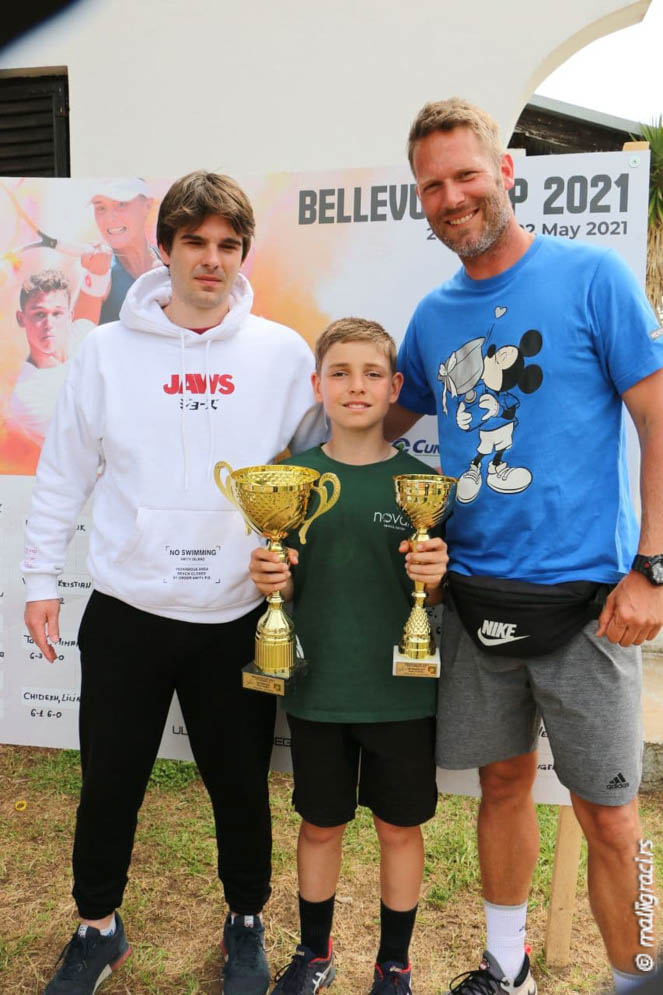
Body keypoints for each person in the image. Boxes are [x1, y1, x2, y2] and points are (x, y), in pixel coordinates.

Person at [22, 170, 324, 995]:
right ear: (163, 248)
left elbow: (314, 469)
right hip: (129, 609)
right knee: (109, 781)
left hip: (235, 613)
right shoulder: (106, 354)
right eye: (195, 241)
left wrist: (291, 554)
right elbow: (62, 474)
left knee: (240, 787)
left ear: (242, 253)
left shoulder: (282, 353)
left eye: (228, 244)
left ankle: (246, 922)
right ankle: (97, 927)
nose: (211, 259)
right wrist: (40, 578)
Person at [386, 98, 663, 995]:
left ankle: (641, 973)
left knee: (614, 819)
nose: (451, 196)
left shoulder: (593, 277)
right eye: (432, 185)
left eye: (465, 174)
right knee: (501, 788)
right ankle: (506, 968)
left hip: (592, 607)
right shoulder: (430, 317)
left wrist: (651, 569)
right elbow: (378, 422)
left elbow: (657, 420)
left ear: (505, 172)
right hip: (474, 605)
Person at [249, 317, 448, 995]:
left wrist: (436, 571)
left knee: (399, 827)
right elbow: (284, 574)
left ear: (395, 387)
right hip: (319, 689)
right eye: (339, 372)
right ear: (317, 386)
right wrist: (272, 578)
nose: (355, 385)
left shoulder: (423, 485)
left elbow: (436, 594)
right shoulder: (288, 479)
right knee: (319, 822)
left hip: (399, 693)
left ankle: (393, 962)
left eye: (370, 373)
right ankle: (314, 950)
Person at [7, 270, 93, 445]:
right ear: (21, 318)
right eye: (39, 314)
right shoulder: (24, 397)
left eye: (57, 314)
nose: (49, 325)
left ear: (70, 316)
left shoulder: (85, 332)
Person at [74, 177, 160, 325]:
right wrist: (96, 276)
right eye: (100, 208)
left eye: (121, 204)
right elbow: (80, 338)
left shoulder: (170, 261)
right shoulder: (96, 273)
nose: (109, 219)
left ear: (147, 206)